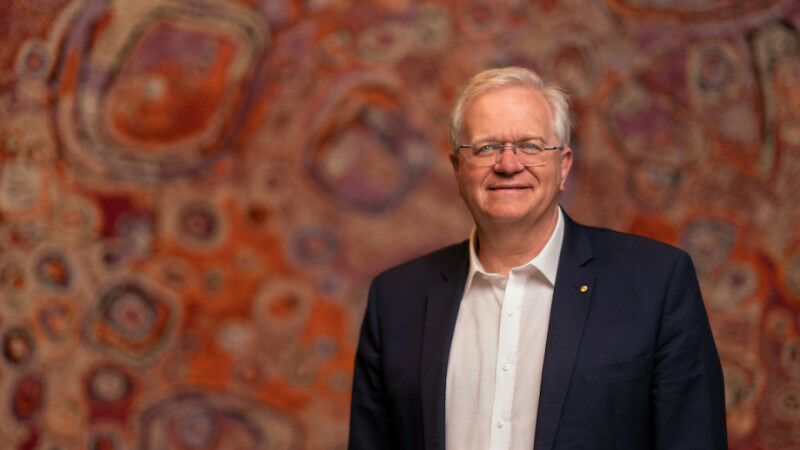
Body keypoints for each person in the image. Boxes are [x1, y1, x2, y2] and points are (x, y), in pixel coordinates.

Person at [348, 67, 727, 449]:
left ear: (563, 166)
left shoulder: (655, 285)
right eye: (486, 148)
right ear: (457, 169)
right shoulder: (396, 301)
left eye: (530, 146)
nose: (509, 164)